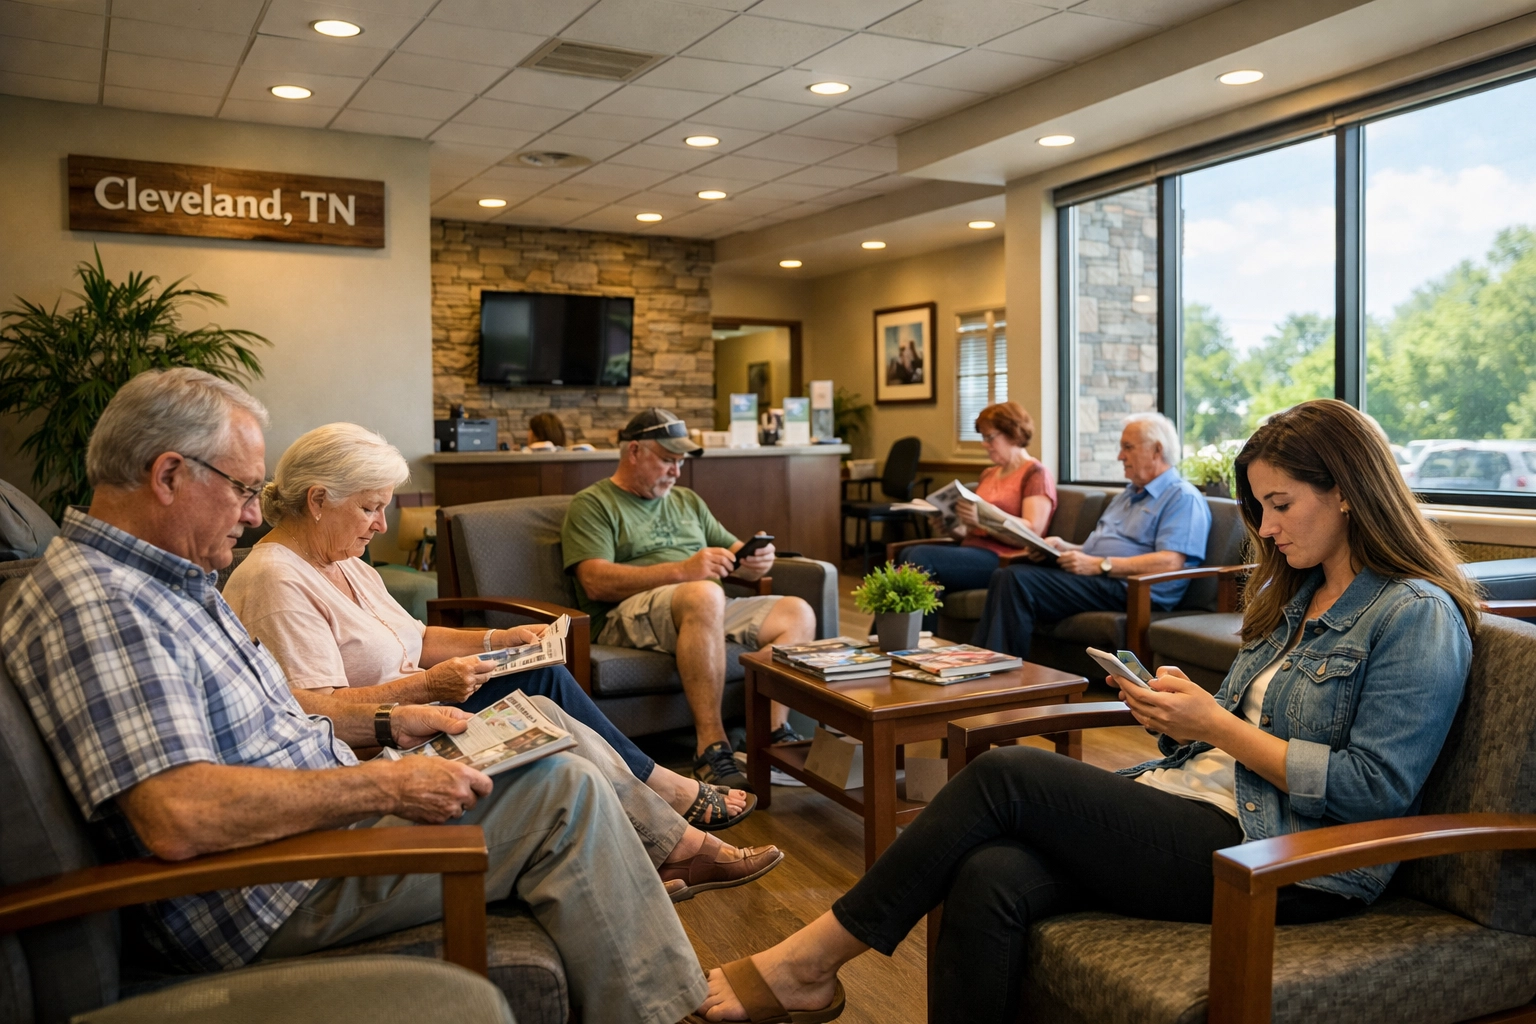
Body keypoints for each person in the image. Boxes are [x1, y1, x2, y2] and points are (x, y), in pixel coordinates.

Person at [690, 398, 1478, 1024]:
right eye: (1259, 506)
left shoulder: (1416, 614)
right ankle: (810, 969)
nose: (1265, 528)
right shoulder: (1302, 592)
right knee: (989, 872)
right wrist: (1180, 719)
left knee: (1009, 774)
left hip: (1289, 860)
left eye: (1279, 505)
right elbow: (1232, 736)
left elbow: (1376, 790)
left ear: (1346, 490)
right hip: (1206, 800)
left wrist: (1220, 727)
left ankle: (809, 961)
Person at [2, 368, 707, 1024]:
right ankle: (671, 1010)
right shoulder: (104, 604)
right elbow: (179, 814)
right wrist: (384, 789)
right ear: (167, 475)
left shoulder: (164, 583)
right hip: (270, 886)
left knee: (546, 743)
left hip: (312, 828)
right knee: (564, 792)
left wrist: (391, 719)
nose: (253, 515)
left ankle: (660, 936)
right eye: (245, 489)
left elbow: (288, 704)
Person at [223, 424, 778, 898]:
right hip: (391, 742)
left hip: (424, 710)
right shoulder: (277, 579)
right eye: (370, 507)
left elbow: (413, 639)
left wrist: (498, 639)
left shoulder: (346, 563)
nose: (382, 525)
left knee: (536, 685)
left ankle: (662, 846)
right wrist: (425, 689)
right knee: (539, 694)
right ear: (318, 500)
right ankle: (670, 827)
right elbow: (312, 713)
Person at [561, 408, 818, 793]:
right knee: (704, 591)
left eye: (680, 462)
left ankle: (766, 735)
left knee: (796, 611)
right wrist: (684, 571)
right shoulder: (593, 503)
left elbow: (734, 559)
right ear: (634, 452)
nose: (676, 471)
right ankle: (710, 747)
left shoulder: (687, 501)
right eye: (667, 460)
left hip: (704, 601)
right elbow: (595, 581)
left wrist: (754, 563)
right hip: (626, 612)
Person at [972, 411, 1211, 657]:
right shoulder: (1128, 495)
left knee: (1017, 579)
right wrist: (1066, 547)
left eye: (1127, 448)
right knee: (1003, 575)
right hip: (1102, 578)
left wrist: (1101, 565)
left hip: (1135, 590)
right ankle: (985, 664)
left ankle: (999, 674)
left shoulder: (1182, 497)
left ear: (1157, 450)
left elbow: (1171, 562)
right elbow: (1097, 549)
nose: (1120, 456)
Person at [896, 402, 1057, 632]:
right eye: (983, 437)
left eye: (990, 437)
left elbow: (1033, 531)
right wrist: (949, 525)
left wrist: (983, 519)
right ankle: (891, 641)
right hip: (972, 551)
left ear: (1013, 433)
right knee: (907, 554)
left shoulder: (1035, 473)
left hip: (1003, 558)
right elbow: (969, 531)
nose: (985, 444)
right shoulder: (989, 474)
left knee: (920, 556)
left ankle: (913, 641)